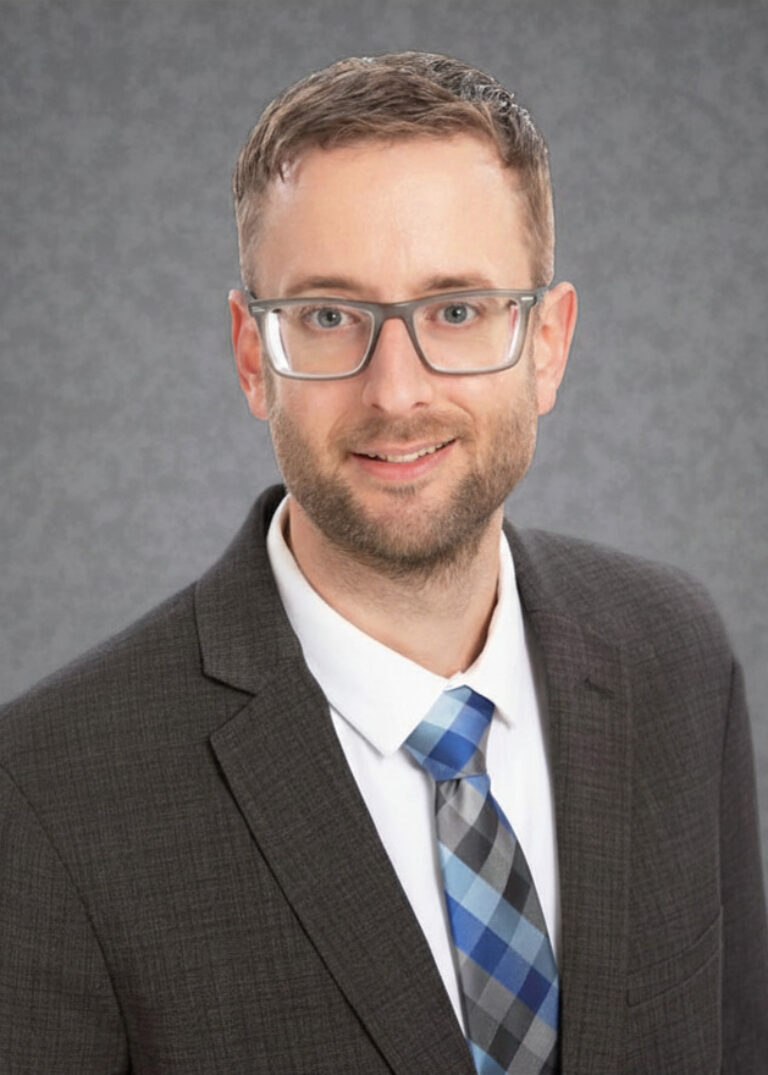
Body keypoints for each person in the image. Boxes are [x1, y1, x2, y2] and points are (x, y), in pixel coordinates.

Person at [0, 51, 765, 1075]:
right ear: (249, 355)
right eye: (328, 317)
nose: (397, 392)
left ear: (547, 344)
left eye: (457, 309)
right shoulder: (48, 792)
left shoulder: (675, 654)